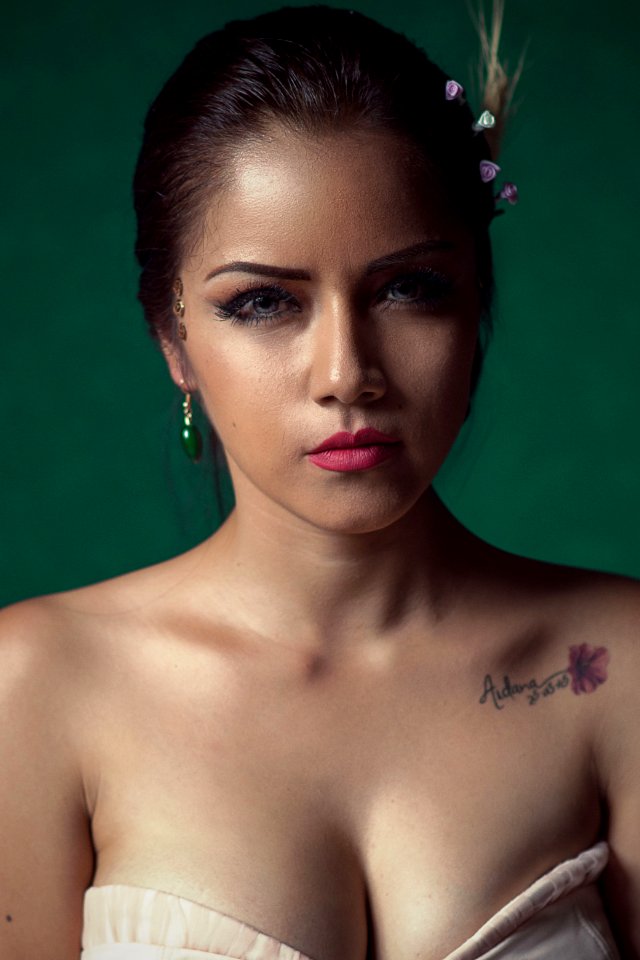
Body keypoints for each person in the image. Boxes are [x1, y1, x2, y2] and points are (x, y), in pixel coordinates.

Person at [1, 4, 638, 958]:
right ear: (171, 337)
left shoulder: (617, 670)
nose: (347, 370)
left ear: (477, 302)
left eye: (408, 288)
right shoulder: (35, 688)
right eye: (263, 302)